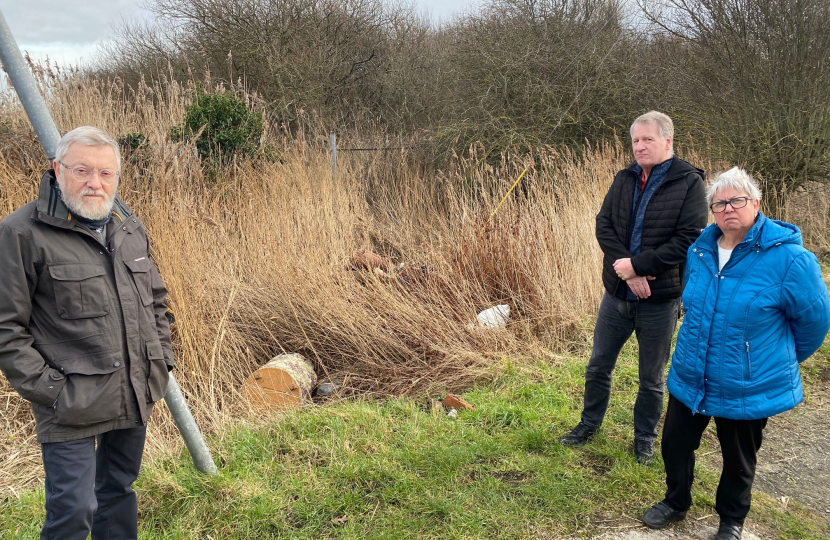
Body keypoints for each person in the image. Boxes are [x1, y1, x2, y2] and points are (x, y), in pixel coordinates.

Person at [0, 126, 174, 539]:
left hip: (133, 387)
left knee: (117, 493)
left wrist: (160, 361)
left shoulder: (128, 227)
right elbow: (5, 328)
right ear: (58, 170)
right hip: (70, 401)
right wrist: (52, 390)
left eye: (106, 173)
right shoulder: (22, 233)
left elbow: (156, 302)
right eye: (82, 170)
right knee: (74, 511)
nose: (95, 183)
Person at [642, 168, 830, 539]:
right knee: (676, 445)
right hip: (691, 372)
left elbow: (813, 323)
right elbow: (693, 305)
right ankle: (676, 502)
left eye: (737, 200)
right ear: (712, 209)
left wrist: (768, 360)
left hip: (747, 381)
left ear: (756, 203)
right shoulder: (700, 249)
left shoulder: (791, 260)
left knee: (739, 460)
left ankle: (731, 520)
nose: (728, 209)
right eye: (720, 203)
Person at [560, 111, 708, 464]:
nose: (640, 147)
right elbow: (604, 225)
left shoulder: (689, 182)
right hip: (617, 295)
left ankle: (644, 437)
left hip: (660, 301)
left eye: (648, 140)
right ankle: (589, 423)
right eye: (636, 141)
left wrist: (639, 266)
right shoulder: (624, 177)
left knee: (651, 378)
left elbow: (688, 238)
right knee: (598, 365)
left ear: (668, 141)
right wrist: (628, 272)